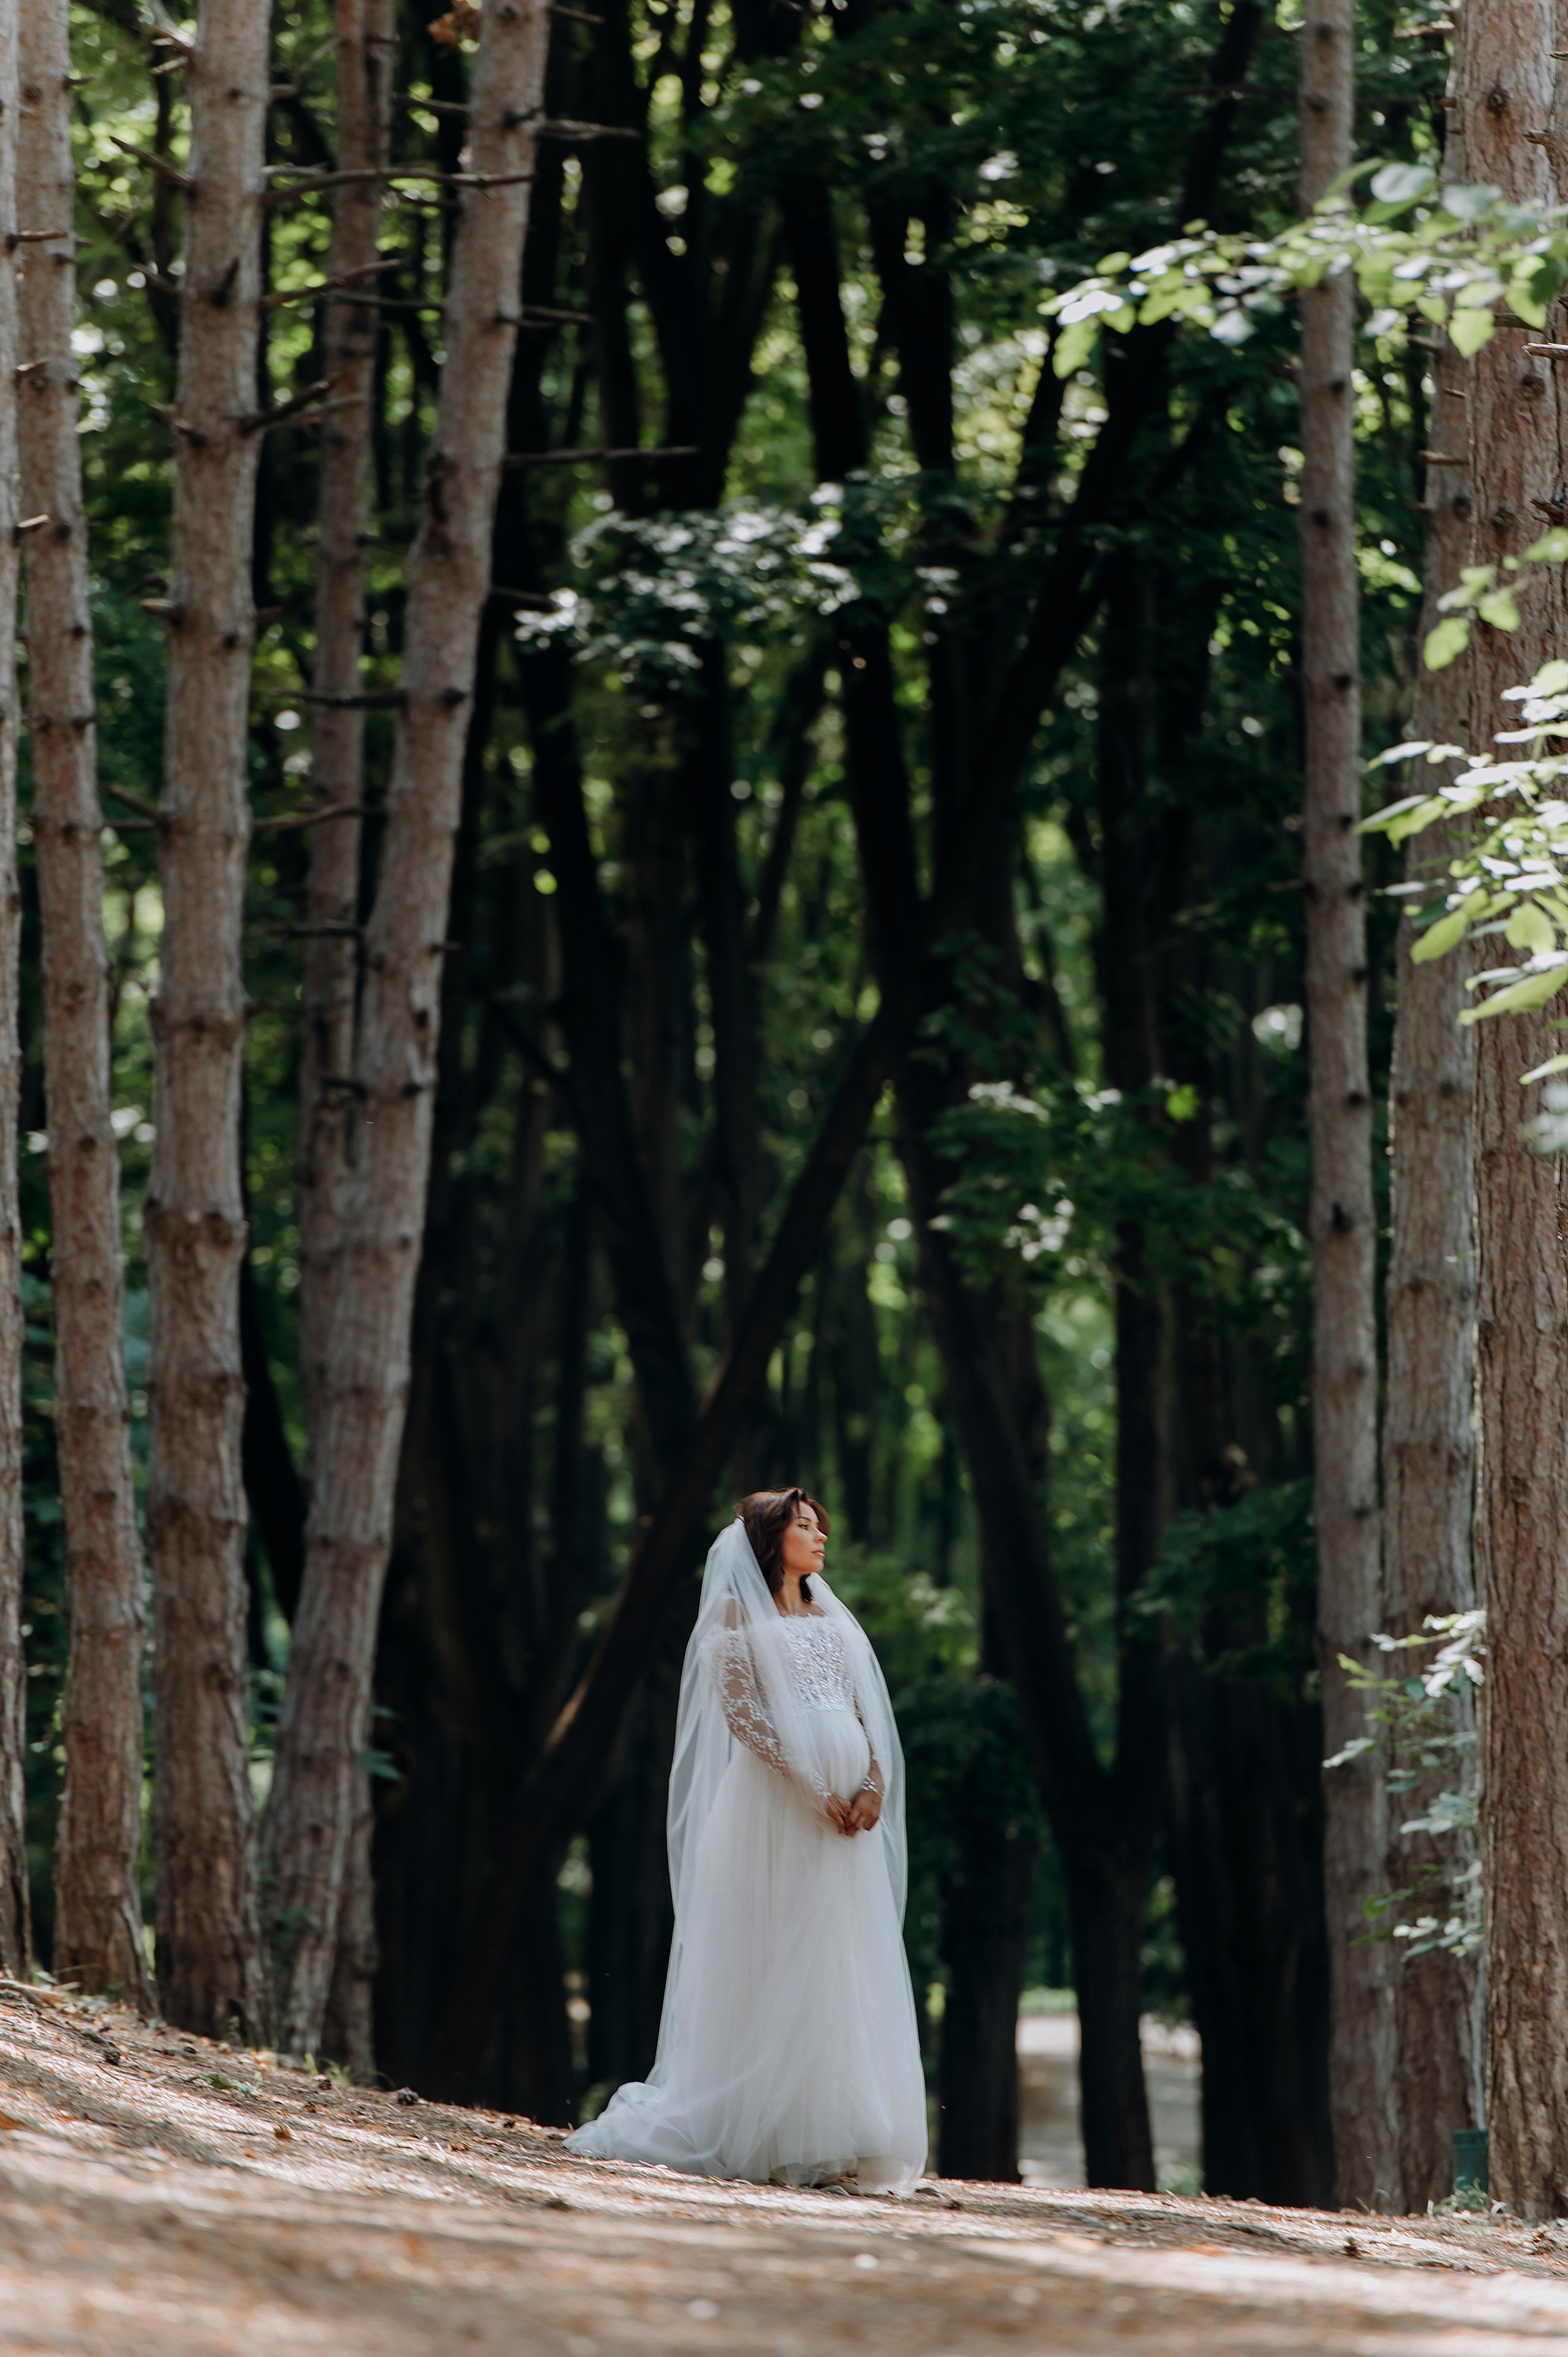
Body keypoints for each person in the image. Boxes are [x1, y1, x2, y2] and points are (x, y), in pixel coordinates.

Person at [565, 1488, 927, 2192]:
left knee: (839, 1957)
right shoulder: (733, 1615)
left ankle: (843, 2127)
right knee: (777, 1951)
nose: (819, 1534)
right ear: (769, 1537)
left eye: (820, 1524)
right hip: (775, 1809)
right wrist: (810, 1785)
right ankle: (771, 2128)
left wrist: (871, 1785)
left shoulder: (830, 1617)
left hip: (846, 1813)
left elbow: (865, 1712)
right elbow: (742, 1714)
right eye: (803, 1524)